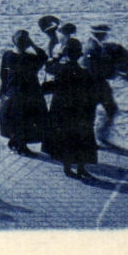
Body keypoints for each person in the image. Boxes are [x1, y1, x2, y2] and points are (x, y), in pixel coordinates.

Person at [42, 39, 99, 179]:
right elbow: (93, 95)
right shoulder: (85, 73)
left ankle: (68, 169)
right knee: (81, 140)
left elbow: (48, 66)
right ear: (79, 55)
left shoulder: (60, 70)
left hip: (62, 111)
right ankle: (81, 168)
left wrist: (58, 56)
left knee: (66, 140)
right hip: (80, 111)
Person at [0, 29, 48, 156]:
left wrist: (3, 90)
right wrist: (33, 44)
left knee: (14, 120)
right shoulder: (29, 58)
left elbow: (3, 75)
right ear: (26, 44)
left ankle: (14, 141)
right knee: (26, 121)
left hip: (12, 92)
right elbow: (43, 57)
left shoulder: (7, 55)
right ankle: (21, 147)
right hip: (28, 93)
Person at [80, 23, 121, 144]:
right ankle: (98, 135)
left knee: (100, 111)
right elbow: (96, 69)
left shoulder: (93, 44)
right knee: (106, 110)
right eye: (104, 33)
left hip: (95, 84)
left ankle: (98, 135)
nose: (106, 35)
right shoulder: (93, 48)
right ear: (100, 34)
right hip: (95, 85)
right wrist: (112, 72)